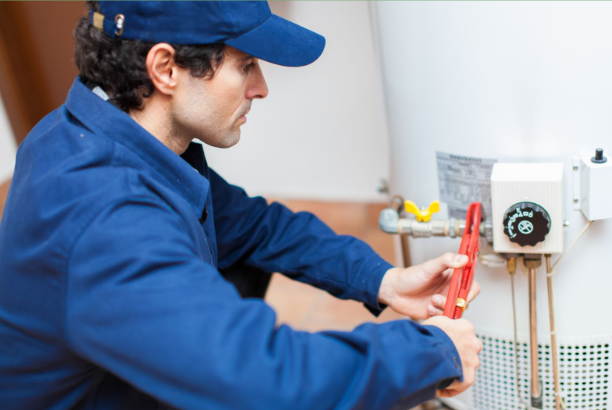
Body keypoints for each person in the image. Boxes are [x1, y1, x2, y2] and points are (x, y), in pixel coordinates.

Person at [0, 2, 482, 409]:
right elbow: (266, 379)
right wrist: (431, 353)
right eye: (245, 64)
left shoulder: (96, 131)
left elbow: (257, 227)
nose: (261, 87)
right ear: (165, 69)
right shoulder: (106, 220)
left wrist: (384, 281)